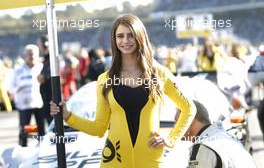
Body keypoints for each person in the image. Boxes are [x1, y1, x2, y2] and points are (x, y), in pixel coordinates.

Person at [50, 14, 196, 168]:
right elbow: (99, 128)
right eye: (120, 36)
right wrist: (68, 116)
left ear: (140, 37)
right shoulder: (105, 80)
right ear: (114, 40)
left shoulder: (160, 73)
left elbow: (188, 107)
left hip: (150, 159)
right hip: (114, 160)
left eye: (131, 35)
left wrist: (171, 139)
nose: (125, 41)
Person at [183, 100, 256, 168]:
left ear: (190, 119)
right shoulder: (228, 137)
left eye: (177, 121)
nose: (175, 127)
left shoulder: (203, 147)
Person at [10, 44, 45, 146]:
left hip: (39, 103)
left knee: (41, 130)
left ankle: (42, 148)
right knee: (25, 130)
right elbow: (11, 87)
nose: (31, 56)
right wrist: (18, 89)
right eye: (29, 54)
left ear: (37, 55)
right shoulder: (18, 70)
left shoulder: (41, 67)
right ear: (25, 55)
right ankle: (23, 148)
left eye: (33, 54)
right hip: (24, 105)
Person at [37, 35, 53, 125]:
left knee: (50, 118)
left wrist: (40, 76)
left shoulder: (50, 58)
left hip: (49, 94)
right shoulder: (46, 58)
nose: (38, 46)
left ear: (45, 44)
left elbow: (43, 77)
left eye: (39, 44)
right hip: (46, 93)